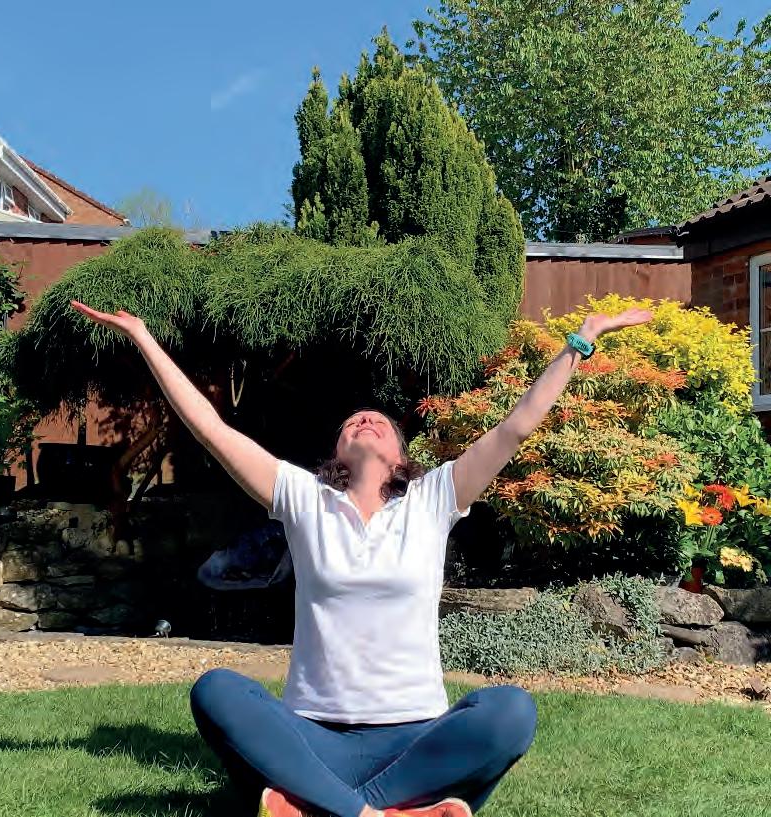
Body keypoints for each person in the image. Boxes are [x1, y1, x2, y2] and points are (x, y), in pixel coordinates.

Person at [71, 299, 652, 817]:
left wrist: (580, 342)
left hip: (413, 740)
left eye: (379, 421)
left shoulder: (434, 498)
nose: (365, 419)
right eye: (353, 421)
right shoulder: (303, 498)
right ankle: (384, 813)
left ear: (400, 454)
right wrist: (144, 338)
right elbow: (211, 430)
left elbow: (514, 429)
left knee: (510, 712)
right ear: (337, 450)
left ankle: (318, 805)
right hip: (312, 736)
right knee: (217, 690)